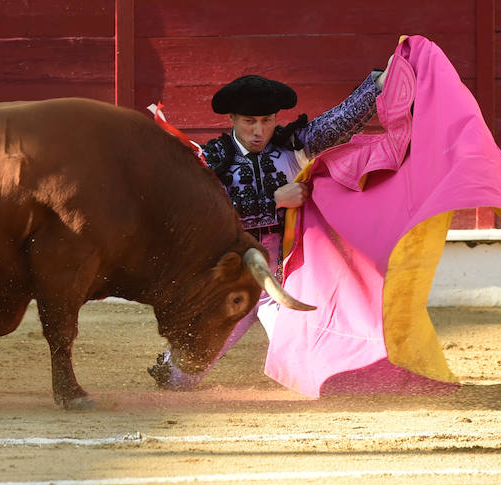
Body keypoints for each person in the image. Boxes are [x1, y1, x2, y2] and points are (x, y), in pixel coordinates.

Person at [148, 67, 386, 390]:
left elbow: (337, 124)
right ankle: (172, 363)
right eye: (249, 122)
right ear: (232, 119)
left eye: (267, 121)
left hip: (281, 285)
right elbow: (213, 215)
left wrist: (377, 86)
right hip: (231, 287)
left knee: (311, 375)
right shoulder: (214, 160)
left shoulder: (291, 148)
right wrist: (275, 200)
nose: (259, 131)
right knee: (180, 379)